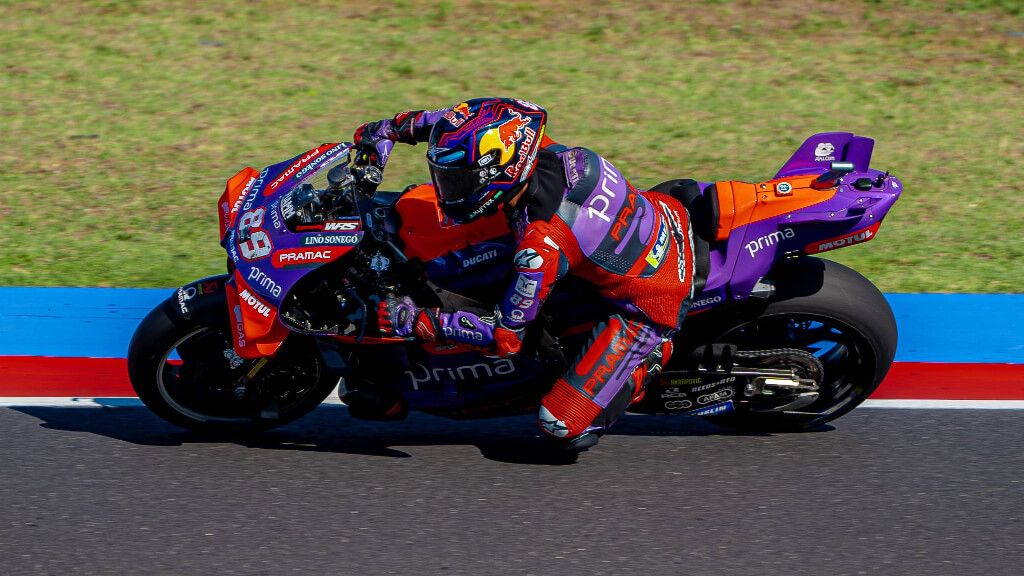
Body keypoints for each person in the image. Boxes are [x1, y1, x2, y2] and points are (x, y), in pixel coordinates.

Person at [351, 97, 696, 451]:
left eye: (457, 181)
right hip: (656, 215)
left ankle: (645, 362)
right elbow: (449, 122)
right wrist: (385, 135)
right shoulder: (524, 139)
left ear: (501, 173)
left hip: (651, 301)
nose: (446, 191)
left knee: (560, 426)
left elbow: (505, 336)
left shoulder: (541, 245)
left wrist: (420, 321)